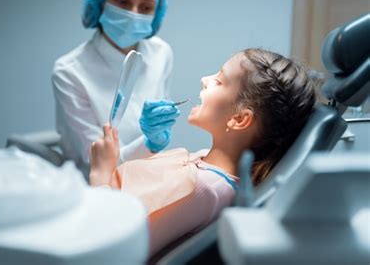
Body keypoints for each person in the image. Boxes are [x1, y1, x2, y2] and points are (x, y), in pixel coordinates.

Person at [88, 48, 317, 256]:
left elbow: (111, 249)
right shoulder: (207, 162)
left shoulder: (202, 189)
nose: (204, 80)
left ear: (239, 119)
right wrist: (150, 142)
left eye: (218, 81)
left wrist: (100, 173)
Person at [52, 0, 179, 171]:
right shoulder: (69, 71)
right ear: (99, 3)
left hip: (150, 177)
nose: (133, 13)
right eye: (122, 1)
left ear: (156, 14)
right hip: (97, 188)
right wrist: (150, 141)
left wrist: (158, 135)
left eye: (146, 7)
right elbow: (95, 161)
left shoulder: (161, 53)